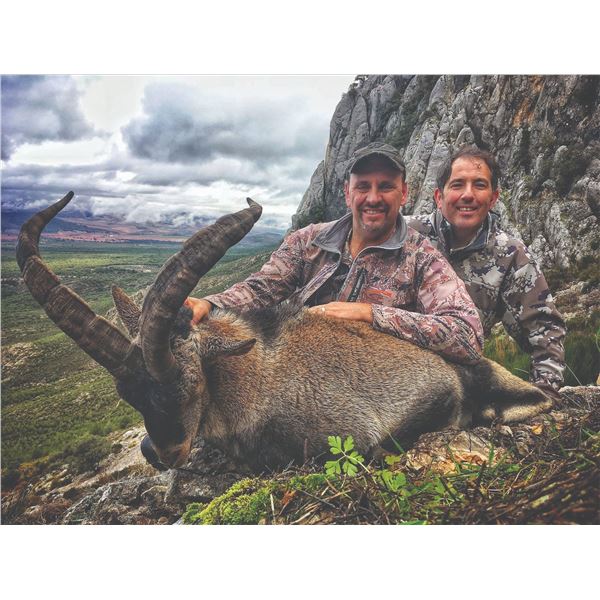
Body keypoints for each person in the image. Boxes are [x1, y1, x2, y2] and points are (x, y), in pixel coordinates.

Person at [186, 142, 484, 365]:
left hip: (372, 392)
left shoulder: (422, 257)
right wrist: (210, 304)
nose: (373, 198)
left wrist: (369, 314)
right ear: (347, 192)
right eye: (363, 187)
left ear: (404, 193)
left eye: (385, 187)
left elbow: (466, 334)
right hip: (293, 373)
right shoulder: (308, 240)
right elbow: (261, 289)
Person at [405, 146, 566, 398]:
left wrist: (544, 397)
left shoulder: (511, 255)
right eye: (457, 184)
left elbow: (545, 330)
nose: (468, 195)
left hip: (453, 391)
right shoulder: (404, 235)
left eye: (479, 185)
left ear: (493, 198)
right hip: (390, 377)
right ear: (439, 196)